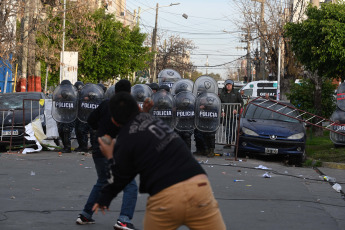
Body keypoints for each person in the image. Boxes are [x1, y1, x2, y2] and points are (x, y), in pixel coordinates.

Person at [93, 92, 226, 230]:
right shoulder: (155, 121)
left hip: (165, 197)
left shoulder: (125, 139)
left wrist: (110, 156)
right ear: (137, 108)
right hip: (200, 187)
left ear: (114, 120)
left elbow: (121, 176)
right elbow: (142, 123)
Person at [76, 80, 139, 230]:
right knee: (130, 185)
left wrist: (101, 130)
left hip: (99, 147)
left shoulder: (105, 104)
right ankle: (123, 220)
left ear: (115, 91)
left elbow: (90, 120)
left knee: (103, 181)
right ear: (129, 93)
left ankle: (85, 215)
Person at [219, 79, 243, 148]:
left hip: (233, 115)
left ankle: (232, 140)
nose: (229, 86)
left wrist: (237, 110)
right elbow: (220, 103)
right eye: (227, 85)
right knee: (227, 129)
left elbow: (241, 102)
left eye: (230, 85)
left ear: (232, 86)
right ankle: (228, 143)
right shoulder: (222, 93)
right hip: (226, 115)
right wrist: (222, 111)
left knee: (232, 129)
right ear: (225, 86)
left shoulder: (236, 93)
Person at [56, 80, 76, 153]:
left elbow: (74, 106)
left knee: (66, 130)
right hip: (62, 116)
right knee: (60, 130)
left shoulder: (73, 95)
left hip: (70, 116)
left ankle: (68, 148)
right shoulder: (60, 95)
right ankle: (65, 146)